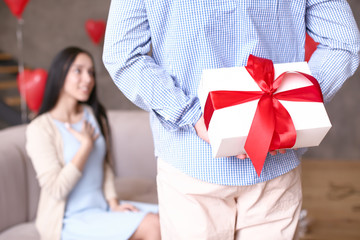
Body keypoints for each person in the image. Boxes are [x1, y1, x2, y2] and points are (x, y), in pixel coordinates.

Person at [103, 1, 360, 239]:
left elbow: (121, 55)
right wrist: (286, 110)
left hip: (191, 160)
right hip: (272, 165)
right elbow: (344, 43)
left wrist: (190, 115)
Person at [26, 46, 161, 240]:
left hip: (103, 209)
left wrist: (114, 203)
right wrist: (85, 147)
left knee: (169, 216)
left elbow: (104, 166)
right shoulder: (39, 129)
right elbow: (56, 189)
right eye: (78, 71)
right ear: (60, 73)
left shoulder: (93, 115)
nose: (88, 79)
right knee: (151, 225)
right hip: (69, 220)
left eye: (91, 72)